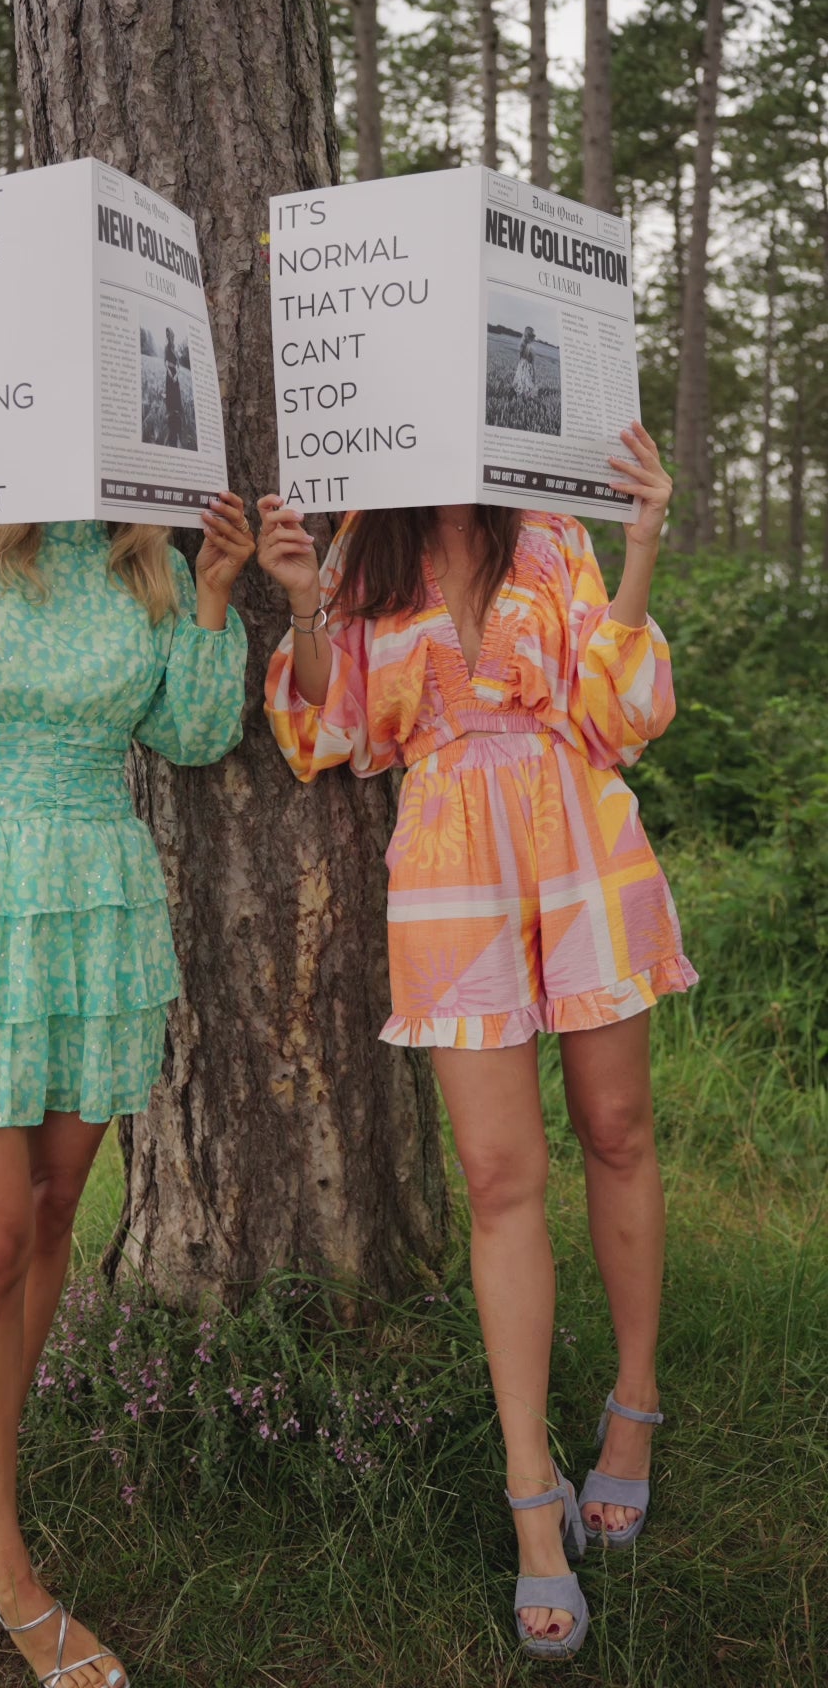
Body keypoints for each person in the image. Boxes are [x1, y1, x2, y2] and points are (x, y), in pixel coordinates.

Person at [257, 424, 695, 1663]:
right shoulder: (362, 549)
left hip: (580, 839)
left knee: (618, 1129)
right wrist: (299, 605)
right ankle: (529, 1493)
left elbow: (625, 714)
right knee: (502, 1177)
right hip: (447, 868)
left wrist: (645, 540)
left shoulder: (547, 527)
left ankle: (634, 1405)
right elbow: (326, 733)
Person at [0, 442, 253, 1688]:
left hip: (96, 895)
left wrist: (216, 592)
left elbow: (191, 736)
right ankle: (11, 1566)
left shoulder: (143, 561)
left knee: (50, 1216)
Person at [163, 327, 184, 447]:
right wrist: (170, 372)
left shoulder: (175, 348)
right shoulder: (166, 348)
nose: (167, 336)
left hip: (175, 374)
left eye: (168, 334)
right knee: (170, 391)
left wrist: (176, 374)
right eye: (166, 334)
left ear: (171, 335)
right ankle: (170, 410)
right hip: (169, 372)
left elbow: (179, 365)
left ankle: (176, 410)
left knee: (175, 393)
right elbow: (165, 362)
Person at [513, 324, 537, 400]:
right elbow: (532, 362)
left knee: (521, 381)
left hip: (521, 366)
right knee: (528, 383)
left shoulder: (521, 345)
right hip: (528, 367)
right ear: (531, 337)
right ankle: (526, 397)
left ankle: (519, 395)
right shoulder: (531, 347)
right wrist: (534, 373)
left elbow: (520, 359)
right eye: (533, 336)